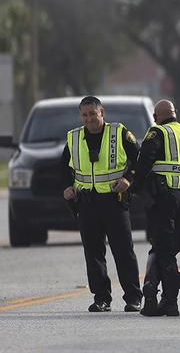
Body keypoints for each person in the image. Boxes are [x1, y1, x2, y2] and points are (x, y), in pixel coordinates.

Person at [124, 99, 180, 317]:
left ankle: (165, 300)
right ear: (176, 113)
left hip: (162, 200)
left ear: (156, 117)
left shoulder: (157, 133)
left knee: (162, 250)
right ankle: (162, 297)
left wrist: (134, 188)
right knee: (171, 248)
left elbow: (143, 164)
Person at [60, 96, 143, 312]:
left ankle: (133, 297)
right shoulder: (74, 137)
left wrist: (129, 180)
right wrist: (67, 187)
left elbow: (140, 161)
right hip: (87, 203)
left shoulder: (119, 133)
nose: (89, 119)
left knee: (123, 251)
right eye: (84, 115)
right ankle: (102, 298)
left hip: (114, 202)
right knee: (93, 253)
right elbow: (62, 168)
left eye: (92, 114)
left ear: (102, 113)